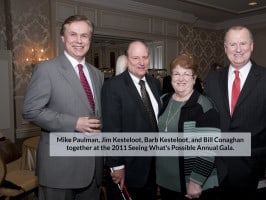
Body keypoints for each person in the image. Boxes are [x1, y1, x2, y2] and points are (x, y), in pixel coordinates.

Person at [22, 15, 104, 200]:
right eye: (73, 34)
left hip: (93, 169)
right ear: (63, 38)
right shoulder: (46, 69)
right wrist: (73, 123)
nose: (79, 40)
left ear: (90, 40)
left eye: (84, 36)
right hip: (60, 169)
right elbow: (30, 110)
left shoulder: (97, 74)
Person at [204, 25, 266, 200]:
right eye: (232, 44)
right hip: (216, 167)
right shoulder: (212, 79)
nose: (238, 49)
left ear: (251, 46)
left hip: (254, 168)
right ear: (226, 48)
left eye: (243, 43)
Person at [101, 40, 162, 200]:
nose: (141, 62)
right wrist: (117, 165)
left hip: (153, 167)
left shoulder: (154, 83)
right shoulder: (113, 86)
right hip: (127, 169)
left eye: (145, 57)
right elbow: (111, 129)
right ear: (127, 60)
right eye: (136, 58)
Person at [156, 54, 220, 200]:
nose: (181, 78)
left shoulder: (204, 105)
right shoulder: (163, 100)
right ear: (170, 77)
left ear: (194, 78)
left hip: (190, 183)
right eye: (176, 74)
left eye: (186, 74)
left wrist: (196, 182)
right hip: (165, 179)